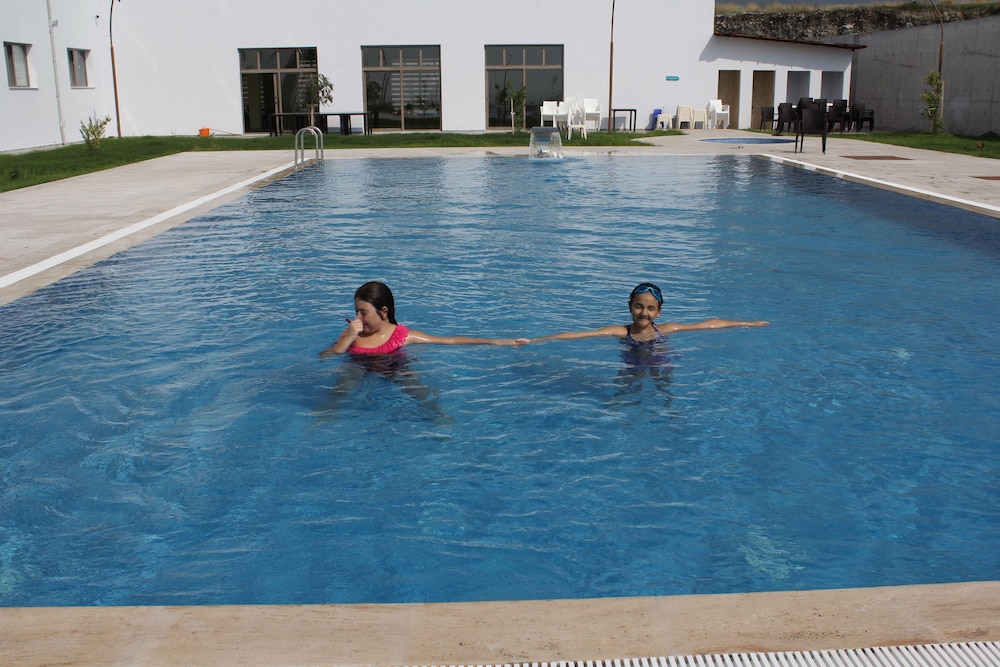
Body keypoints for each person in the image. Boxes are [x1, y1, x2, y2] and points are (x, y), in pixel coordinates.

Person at [320, 281, 527, 357]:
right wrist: (347, 339)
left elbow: (450, 341)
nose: (357, 318)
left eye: (363, 312)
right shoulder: (352, 334)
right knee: (343, 385)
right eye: (356, 311)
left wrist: (501, 342)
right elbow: (326, 357)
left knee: (416, 388)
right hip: (357, 370)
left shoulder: (403, 336)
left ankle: (437, 416)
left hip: (394, 369)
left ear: (383, 312)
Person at [532, 282, 768, 344]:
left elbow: (710, 324)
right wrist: (535, 340)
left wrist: (749, 323)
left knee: (663, 385)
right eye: (639, 306)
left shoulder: (666, 329)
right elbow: (576, 335)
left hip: (660, 360)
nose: (644, 313)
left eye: (650, 308)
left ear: (658, 313)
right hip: (632, 363)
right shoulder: (621, 332)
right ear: (630, 307)